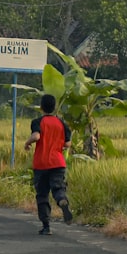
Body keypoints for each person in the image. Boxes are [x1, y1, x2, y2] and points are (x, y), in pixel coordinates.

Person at [23, 94, 73, 235]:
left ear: (41, 107)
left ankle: (46, 227)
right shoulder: (62, 123)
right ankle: (62, 200)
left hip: (41, 164)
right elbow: (68, 143)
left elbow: (36, 136)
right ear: (54, 107)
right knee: (58, 188)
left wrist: (27, 143)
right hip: (58, 163)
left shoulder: (37, 121)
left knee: (42, 195)